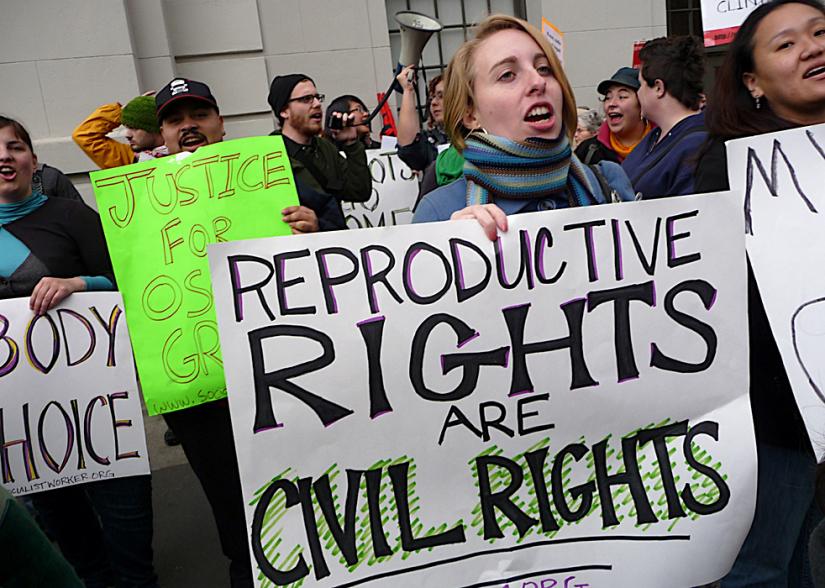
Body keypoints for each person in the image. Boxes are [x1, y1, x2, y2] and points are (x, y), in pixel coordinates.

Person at [693, 1, 825, 585]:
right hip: (779, 429)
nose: (813, 49)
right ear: (752, 82)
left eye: (821, 34)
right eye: (788, 44)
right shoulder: (726, 171)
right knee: (768, 570)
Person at [0, 115, 157, 588]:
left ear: (34, 159)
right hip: (26, 429)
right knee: (81, 562)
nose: (4, 156)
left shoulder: (72, 216)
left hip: (104, 414)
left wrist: (78, 283)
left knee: (132, 562)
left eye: (14, 146)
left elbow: (131, 283)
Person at [412, 14, 635, 238]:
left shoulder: (608, 181)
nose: (538, 81)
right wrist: (453, 259)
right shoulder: (438, 212)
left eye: (545, 68)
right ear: (471, 114)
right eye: (507, 75)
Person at [267, 74, 372, 209]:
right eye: (306, 99)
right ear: (284, 111)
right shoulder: (270, 155)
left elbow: (359, 192)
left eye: (317, 97)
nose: (317, 104)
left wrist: (351, 144)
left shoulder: (325, 148)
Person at [622, 36, 707, 198]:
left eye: (641, 85)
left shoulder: (697, 146)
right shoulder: (655, 137)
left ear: (659, 88)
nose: (638, 93)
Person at [575, 67, 653, 165]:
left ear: (642, 103)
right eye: (608, 97)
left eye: (622, 96)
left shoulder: (661, 147)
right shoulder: (588, 151)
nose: (612, 103)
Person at [73, 95, 167, 169]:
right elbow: (84, 135)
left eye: (134, 128)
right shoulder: (126, 158)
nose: (127, 134)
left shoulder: (180, 149)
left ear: (154, 128)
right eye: (126, 127)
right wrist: (121, 111)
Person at [396, 69, 449, 171]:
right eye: (431, 98)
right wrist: (408, 90)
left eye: (441, 96)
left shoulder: (479, 135)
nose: (433, 102)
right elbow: (409, 149)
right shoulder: (432, 141)